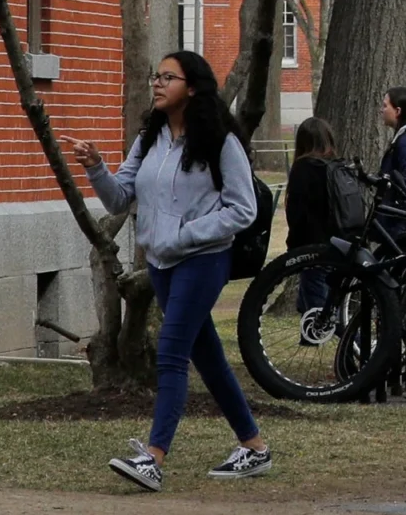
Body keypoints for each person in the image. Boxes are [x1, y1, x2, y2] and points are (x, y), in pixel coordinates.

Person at [62, 51, 273, 491]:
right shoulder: (150, 138)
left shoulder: (219, 141)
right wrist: (96, 167)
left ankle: (153, 458)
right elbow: (119, 199)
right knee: (208, 358)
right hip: (160, 262)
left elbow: (243, 209)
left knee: (173, 351)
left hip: (204, 260)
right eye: (155, 75)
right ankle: (254, 448)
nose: (157, 84)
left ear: (192, 87)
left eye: (167, 77)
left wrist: (188, 233)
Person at [283, 116, 342, 331]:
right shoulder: (336, 167)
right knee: (308, 298)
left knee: (319, 304)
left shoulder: (304, 168)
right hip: (339, 242)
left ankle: (351, 343)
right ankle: (308, 337)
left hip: (313, 243)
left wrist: (293, 244)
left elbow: (296, 211)